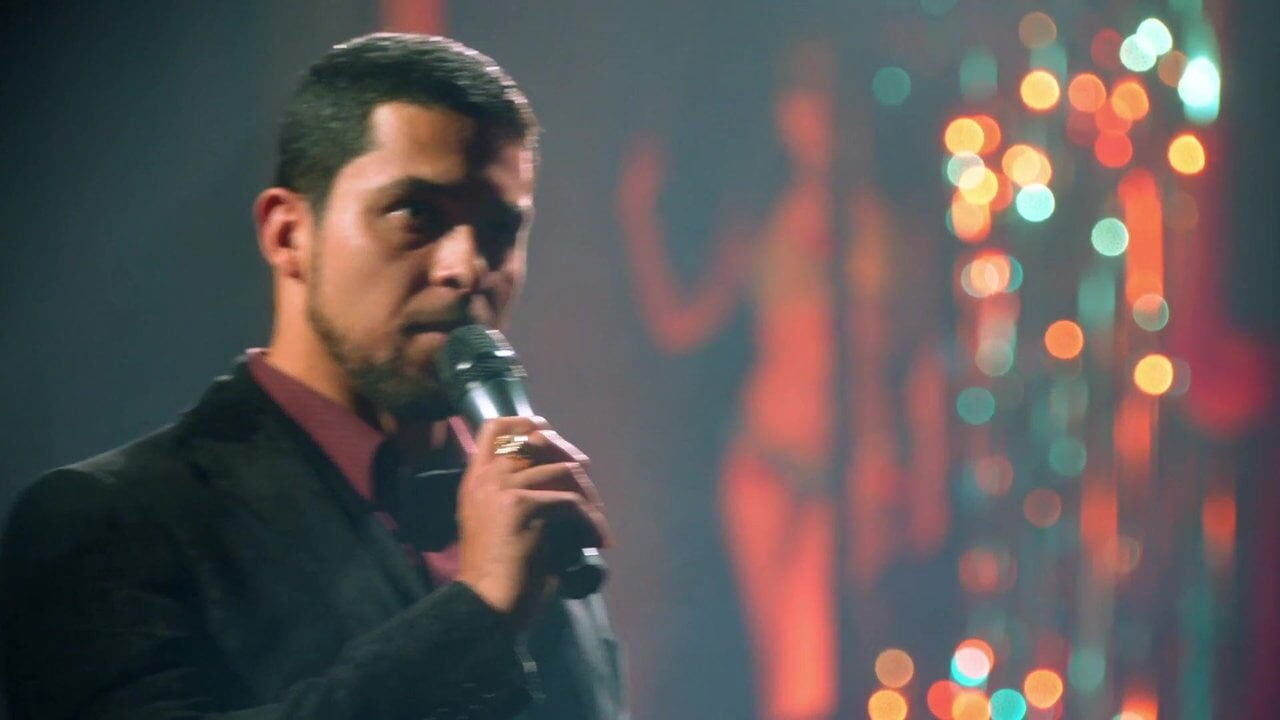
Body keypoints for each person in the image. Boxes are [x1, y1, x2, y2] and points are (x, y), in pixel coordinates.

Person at [0, 33, 625, 719]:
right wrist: (477, 613)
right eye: (416, 214)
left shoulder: (533, 510)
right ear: (288, 233)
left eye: (500, 230)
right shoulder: (112, 522)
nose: (467, 267)